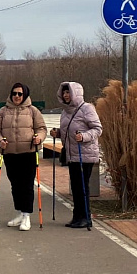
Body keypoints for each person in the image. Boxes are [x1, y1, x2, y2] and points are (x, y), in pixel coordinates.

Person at [0, 83, 47, 231]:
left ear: (25, 95)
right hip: (10, 153)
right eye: (14, 93)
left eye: (20, 94)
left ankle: (27, 215)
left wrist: (39, 138)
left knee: (27, 184)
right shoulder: (3, 111)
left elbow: (41, 129)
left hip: (28, 153)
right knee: (15, 185)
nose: (16, 96)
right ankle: (19, 213)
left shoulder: (33, 111)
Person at [50, 82, 102, 228]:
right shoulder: (65, 111)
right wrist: (57, 133)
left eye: (69, 92)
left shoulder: (87, 108)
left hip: (85, 154)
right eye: (64, 92)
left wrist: (84, 136)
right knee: (76, 187)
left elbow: (98, 129)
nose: (66, 95)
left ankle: (86, 217)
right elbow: (68, 133)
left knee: (82, 187)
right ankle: (77, 216)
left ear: (76, 93)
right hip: (72, 155)